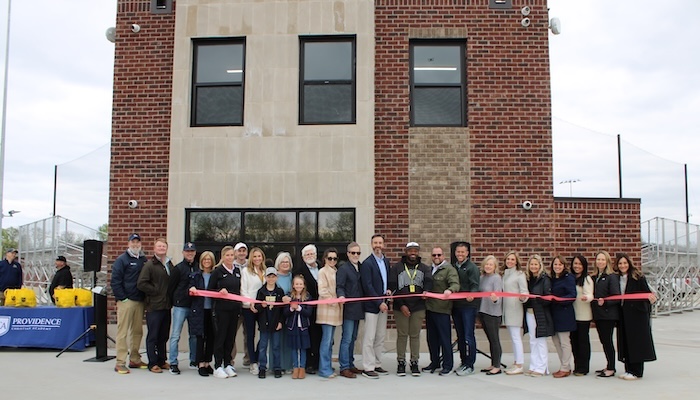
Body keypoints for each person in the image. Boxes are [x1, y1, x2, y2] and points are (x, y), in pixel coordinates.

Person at [388, 242, 433, 377]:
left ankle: (414, 362)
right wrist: (401, 305)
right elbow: (393, 286)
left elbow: (429, 282)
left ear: (418, 252)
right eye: (410, 250)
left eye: (415, 250)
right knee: (402, 335)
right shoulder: (396, 268)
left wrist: (427, 291)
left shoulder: (424, 268)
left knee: (415, 335)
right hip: (400, 306)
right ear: (406, 251)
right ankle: (401, 362)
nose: (413, 252)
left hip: (418, 306)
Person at [111, 234, 148, 374]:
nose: (135, 244)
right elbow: (115, 281)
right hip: (127, 301)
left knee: (137, 332)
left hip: (140, 301)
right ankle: (120, 362)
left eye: (138, 242)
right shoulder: (122, 260)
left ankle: (135, 359)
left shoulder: (143, 260)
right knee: (123, 332)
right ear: (128, 243)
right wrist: (122, 298)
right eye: (133, 242)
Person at [616, 254, 657, 380]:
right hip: (623, 313)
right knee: (626, 341)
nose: (623, 265)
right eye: (620, 263)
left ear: (629, 263)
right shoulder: (616, 278)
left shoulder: (638, 277)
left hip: (637, 315)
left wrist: (652, 298)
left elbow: (648, 294)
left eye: (625, 263)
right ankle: (628, 369)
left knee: (636, 342)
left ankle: (637, 371)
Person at [137, 238, 174, 373]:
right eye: (159, 246)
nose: (161, 248)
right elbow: (141, 283)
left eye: (163, 246)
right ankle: (152, 363)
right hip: (154, 306)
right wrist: (156, 291)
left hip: (166, 305)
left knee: (163, 335)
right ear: (154, 248)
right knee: (153, 335)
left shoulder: (169, 264)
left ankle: (162, 360)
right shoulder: (150, 265)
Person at [423, 246, 459, 375]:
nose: (436, 257)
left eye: (439, 255)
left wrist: (450, 290)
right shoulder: (429, 269)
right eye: (434, 255)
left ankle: (447, 365)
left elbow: (455, 284)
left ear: (443, 256)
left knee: (444, 338)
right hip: (430, 308)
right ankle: (435, 362)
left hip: (442, 309)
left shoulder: (449, 269)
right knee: (432, 338)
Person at [208, 245, 242, 379]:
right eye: (227, 255)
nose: (229, 257)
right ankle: (218, 366)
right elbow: (210, 291)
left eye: (231, 255)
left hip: (234, 310)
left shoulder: (237, 271)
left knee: (230, 338)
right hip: (221, 310)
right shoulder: (217, 271)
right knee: (220, 338)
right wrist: (219, 292)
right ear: (222, 257)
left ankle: (228, 363)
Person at [360, 234, 391, 378]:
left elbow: (385, 281)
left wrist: (388, 291)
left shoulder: (386, 261)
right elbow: (368, 286)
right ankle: (368, 367)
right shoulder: (367, 263)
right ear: (371, 244)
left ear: (383, 245)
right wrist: (379, 303)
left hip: (383, 305)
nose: (378, 245)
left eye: (380, 243)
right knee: (369, 338)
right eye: (375, 243)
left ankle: (377, 364)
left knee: (380, 337)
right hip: (373, 307)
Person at [167, 242, 199, 374]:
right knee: (175, 335)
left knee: (194, 335)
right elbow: (171, 288)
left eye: (192, 251)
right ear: (183, 253)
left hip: (194, 306)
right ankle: (173, 362)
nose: (189, 253)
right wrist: (173, 302)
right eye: (187, 251)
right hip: (180, 306)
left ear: (195, 253)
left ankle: (194, 360)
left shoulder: (198, 267)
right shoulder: (178, 268)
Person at [292, 244, 322, 374]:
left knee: (321, 335)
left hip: (323, 308)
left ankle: (319, 363)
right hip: (306, 309)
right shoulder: (299, 271)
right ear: (303, 257)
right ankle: (309, 364)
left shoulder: (322, 268)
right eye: (307, 255)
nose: (310, 256)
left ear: (315, 255)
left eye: (311, 254)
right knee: (310, 336)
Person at [337, 242, 365, 378]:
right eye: (353, 253)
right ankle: (344, 367)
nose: (355, 255)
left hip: (359, 308)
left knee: (353, 338)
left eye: (358, 253)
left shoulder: (361, 267)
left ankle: (350, 363)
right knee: (347, 338)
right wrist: (341, 296)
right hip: (348, 308)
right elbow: (340, 285)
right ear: (348, 253)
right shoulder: (343, 268)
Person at [451, 241, 480, 376]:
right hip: (456, 306)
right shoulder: (453, 267)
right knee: (460, 336)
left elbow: (475, 284)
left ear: (467, 253)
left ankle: (470, 364)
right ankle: (463, 362)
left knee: (469, 336)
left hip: (468, 307)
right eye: (458, 252)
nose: (460, 254)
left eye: (463, 252)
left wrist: (472, 294)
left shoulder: (472, 267)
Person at [591, 250, 620, 378]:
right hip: (599, 315)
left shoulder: (611, 277)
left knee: (607, 341)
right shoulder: (595, 276)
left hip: (608, 315)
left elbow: (616, 297)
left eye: (603, 260)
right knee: (604, 341)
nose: (600, 262)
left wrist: (606, 303)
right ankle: (609, 365)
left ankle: (611, 368)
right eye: (598, 259)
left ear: (607, 261)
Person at [523, 254, 553, 377]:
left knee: (540, 340)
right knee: (532, 340)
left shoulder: (545, 279)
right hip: (529, 313)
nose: (533, 266)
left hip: (540, 313)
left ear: (540, 265)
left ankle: (542, 368)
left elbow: (547, 298)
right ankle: (534, 365)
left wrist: (537, 299)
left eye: (536, 264)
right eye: (531, 264)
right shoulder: (528, 279)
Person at [188, 251, 216, 377]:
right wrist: (191, 289)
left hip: (212, 310)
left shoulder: (215, 275)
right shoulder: (195, 276)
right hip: (199, 310)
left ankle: (207, 362)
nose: (206, 261)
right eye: (204, 259)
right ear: (201, 261)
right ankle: (200, 363)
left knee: (211, 337)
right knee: (200, 337)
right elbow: (188, 288)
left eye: (209, 259)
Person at [255, 267, 286, 379]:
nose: (271, 279)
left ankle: (277, 368)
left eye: (273, 276)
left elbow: (283, 309)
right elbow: (257, 308)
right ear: (265, 277)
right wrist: (261, 306)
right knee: (263, 347)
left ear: (276, 277)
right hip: (264, 324)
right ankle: (262, 368)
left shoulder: (279, 291)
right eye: (269, 276)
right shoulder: (261, 291)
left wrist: (281, 322)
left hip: (276, 323)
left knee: (276, 347)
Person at [549, 255, 577, 378]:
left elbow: (572, 295)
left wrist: (557, 300)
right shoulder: (552, 279)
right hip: (553, 314)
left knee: (564, 342)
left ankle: (565, 367)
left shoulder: (569, 278)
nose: (557, 266)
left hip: (564, 314)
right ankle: (564, 365)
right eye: (555, 264)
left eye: (560, 264)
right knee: (556, 342)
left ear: (564, 266)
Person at [501, 251, 528, 375]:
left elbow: (524, 292)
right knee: (513, 337)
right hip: (506, 309)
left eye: (512, 259)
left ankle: (520, 364)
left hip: (515, 308)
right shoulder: (505, 274)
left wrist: (523, 297)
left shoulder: (519, 274)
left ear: (516, 261)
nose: (510, 261)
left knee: (516, 337)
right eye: (508, 259)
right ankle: (516, 361)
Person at [316, 248, 341, 379]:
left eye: (335, 258)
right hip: (326, 310)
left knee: (330, 341)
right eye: (330, 258)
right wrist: (333, 300)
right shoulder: (322, 272)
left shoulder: (336, 271)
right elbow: (322, 291)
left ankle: (327, 365)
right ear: (325, 258)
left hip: (335, 311)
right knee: (326, 341)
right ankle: (324, 368)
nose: (332, 261)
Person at [241, 247, 266, 375]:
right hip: (249, 308)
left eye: (259, 256)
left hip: (262, 308)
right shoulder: (246, 271)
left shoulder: (265, 271)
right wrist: (249, 303)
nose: (257, 259)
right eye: (255, 256)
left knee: (264, 335)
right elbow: (243, 290)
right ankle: (253, 362)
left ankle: (257, 357)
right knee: (250, 335)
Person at [478, 255, 503, 375]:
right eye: (486, 264)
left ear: (495, 267)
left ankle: (497, 366)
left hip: (493, 312)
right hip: (483, 311)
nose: (488, 266)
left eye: (491, 264)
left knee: (494, 339)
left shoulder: (496, 278)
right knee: (490, 339)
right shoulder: (482, 278)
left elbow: (499, 296)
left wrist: (495, 299)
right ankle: (493, 363)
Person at [284, 275, 313, 379]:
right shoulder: (289, 296)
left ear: (304, 285)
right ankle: (295, 367)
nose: (298, 286)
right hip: (292, 326)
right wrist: (291, 308)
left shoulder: (308, 297)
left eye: (300, 284)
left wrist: (299, 308)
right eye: (296, 284)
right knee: (294, 348)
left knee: (303, 348)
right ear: (293, 285)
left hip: (303, 327)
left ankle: (302, 368)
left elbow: (309, 312)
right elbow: (285, 312)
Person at [570, 254, 593, 376]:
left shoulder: (587, 279)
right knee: (574, 341)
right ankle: (577, 365)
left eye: (579, 264)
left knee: (583, 342)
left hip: (584, 315)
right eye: (575, 263)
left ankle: (584, 367)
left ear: (584, 266)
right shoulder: (570, 278)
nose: (577, 266)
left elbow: (590, 295)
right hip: (572, 315)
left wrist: (586, 297)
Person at [274, 252, 294, 373]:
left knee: (288, 339)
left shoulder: (292, 276)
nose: (285, 264)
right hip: (277, 312)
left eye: (287, 262)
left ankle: (287, 365)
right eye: (283, 262)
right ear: (278, 263)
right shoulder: (274, 276)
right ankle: (277, 365)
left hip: (290, 312)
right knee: (276, 340)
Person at [232, 242, 249, 367]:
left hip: (248, 305)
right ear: (235, 253)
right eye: (239, 251)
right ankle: (230, 358)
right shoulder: (230, 265)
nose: (242, 253)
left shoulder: (251, 265)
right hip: (235, 305)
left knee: (248, 334)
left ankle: (248, 359)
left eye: (244, 251)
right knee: (232, 333)